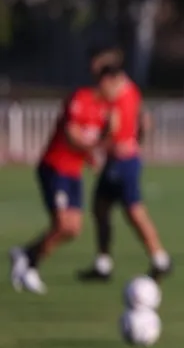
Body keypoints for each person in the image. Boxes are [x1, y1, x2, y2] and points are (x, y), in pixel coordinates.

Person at [8, 57, 121, 294]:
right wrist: (96, 147)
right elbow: (72, 136)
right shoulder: (81, 98)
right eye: (114, 84)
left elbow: (93, 141)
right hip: (55, 167)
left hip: (73, 172)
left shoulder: (105, 110)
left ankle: (26, 254)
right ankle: (30, 265)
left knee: (73, 229)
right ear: (104, 81)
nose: (117, 89)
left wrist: (103, 143)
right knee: (61, 223)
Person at [76, 46, 172, 283]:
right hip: (122, 159)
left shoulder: (116, 96)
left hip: (122, 160)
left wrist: (95, 148)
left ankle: (160, 258)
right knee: (101, 207)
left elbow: (114, 127)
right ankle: (104, 262)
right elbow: (144, 122)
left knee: (134, 210)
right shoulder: (131, 90)